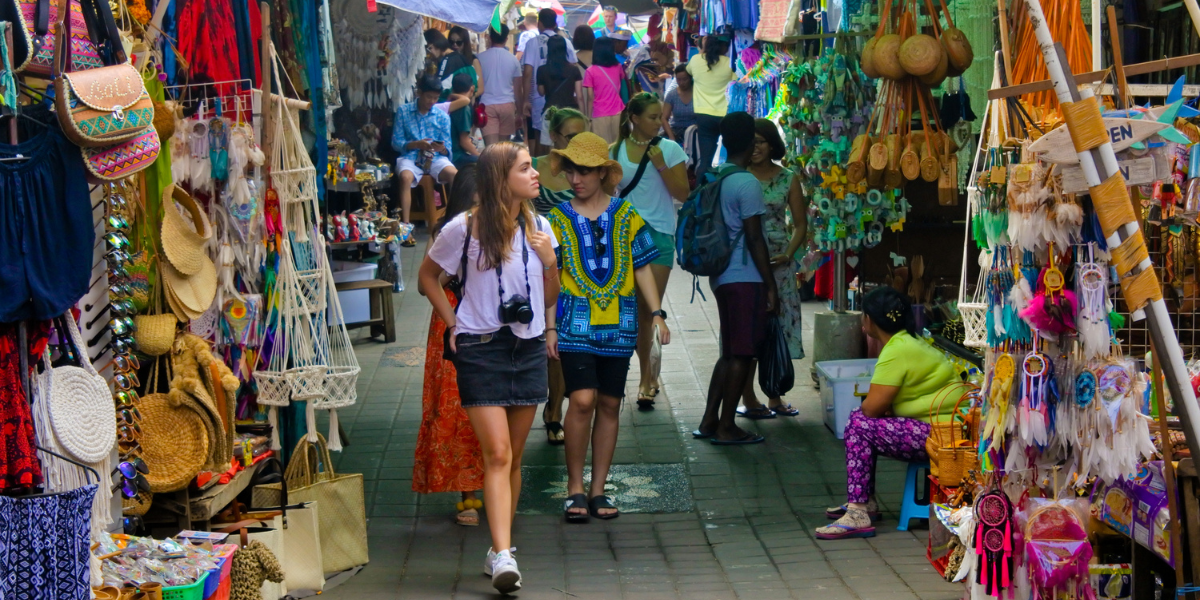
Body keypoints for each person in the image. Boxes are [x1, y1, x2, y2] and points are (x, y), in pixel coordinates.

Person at [418, 142, 560, 593]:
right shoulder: (463, 229)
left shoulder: (541, 227)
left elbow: (550, 297)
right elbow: (427, 278)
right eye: (524, 168)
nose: (535, 174)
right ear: (502, 178)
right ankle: (502, 555)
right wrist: (453, 322)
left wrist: (549, 261)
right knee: (497, 453)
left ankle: (501, 547)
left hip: (528, 347)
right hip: (480, 349)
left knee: (513, 458)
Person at [544, 132, 671, 523]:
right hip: (573, 325)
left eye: (583, 171)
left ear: (603, 173)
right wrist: (549, 329)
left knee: (611, 403)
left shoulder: (627, 215)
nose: (575, 179)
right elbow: (548, 277)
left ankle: (598, 489)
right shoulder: (557, 221)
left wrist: (657, 313)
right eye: (570, 171)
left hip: (620, 323)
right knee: (581, 400)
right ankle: (574, 488)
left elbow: (642, 266)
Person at [816, 287, 963, 540]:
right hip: (944, 428)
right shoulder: (908, 342)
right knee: (859, 421)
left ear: (869, 320)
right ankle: (863, 502)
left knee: (859, 424)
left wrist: (877, 408)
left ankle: (859, 510)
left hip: (942, 435)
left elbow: (871, 408)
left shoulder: (896, 350)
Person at [692, 112, 777, 445]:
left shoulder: (713, 176)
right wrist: (771, 286)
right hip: (744, 277)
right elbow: (755, 238)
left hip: (720, 275)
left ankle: (710, 420)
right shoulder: (746, 182)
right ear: (747, 142)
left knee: (729, 351)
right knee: (742, 353)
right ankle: (727, 426)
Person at [414, 166, 484, 527]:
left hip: (488, 321)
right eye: (474, 203)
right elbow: (424, 284)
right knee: (457, 409)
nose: (480, 210)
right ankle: (467, 494)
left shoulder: (502, 226)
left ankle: (493, 485)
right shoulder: (447, 231)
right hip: (451, 323)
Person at [610, 93, 689, 409]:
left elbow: (683, 193)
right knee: (632, 310)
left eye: (661, 117)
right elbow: (608, 195)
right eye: (654, 117)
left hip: (659, 237)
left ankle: (646, 379)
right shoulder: (615, 151)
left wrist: (660, 165)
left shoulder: (669, 149)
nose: (660, 122)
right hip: (624, 237)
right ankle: (649, 375)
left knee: (647, 309)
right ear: (635, 118)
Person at [737, 119, 809, 419]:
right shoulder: (739, 177)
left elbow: (801, 224)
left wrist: (788, 255)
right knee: (749, 327)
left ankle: (775, 396)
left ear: (771, 144)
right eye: (751, 142)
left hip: (778, 264)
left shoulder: (788, 178)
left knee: (776, 326)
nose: (756, 148)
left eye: (761, 141)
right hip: (745, 261)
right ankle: (748, 396)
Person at [533, 106, 589, 444]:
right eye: (571, 136)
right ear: (554, 137)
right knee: (548, 341)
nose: (576, 143)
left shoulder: (588, 170)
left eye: (582, 136)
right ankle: (551, 406)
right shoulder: (535, 169)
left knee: (568, 341)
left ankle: (557, 409)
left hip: (581, 267)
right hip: (542, 267)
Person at [392, 74, 458, 232]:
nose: (432, 102)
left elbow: (448, 145)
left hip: (435, 158)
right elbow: (396, 142)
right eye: (429, 97)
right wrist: (415, 144)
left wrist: (441, 148)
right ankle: (406, 226)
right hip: (410, 156)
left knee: (454, 174)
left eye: (435, 98)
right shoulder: (403, 111)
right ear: (419, 93)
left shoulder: (442, 116)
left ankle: (455, 219)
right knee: (405, 177)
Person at [522, 8, 578, 156]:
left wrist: (526, 99)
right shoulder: (566, 42)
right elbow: (574, 68)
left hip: (539, 97)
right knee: (565, 135)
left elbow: (527, 73)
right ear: (554, 24)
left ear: (539, 23)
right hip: (565, 98)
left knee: (542, 137)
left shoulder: (532, 43)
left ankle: (543, 171)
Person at [686, 36, 734, 180]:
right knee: (730, 159)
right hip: (725, 116)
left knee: (705, 161)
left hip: (703, 116)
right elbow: (736, 80)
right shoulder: (729, 63)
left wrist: (702, 51)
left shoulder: (695, 60)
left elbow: (688, 71)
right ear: (724, 47)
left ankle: (701, 194)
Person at [477, 24, 525, 146]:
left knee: (491, 148)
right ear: (506, 39)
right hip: (507, 106)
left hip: (486, 105)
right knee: (503, 147)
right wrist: (519, 113)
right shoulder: (514, 60)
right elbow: (518, 90)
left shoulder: (479, 59)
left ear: (489, 38)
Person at [582, 37, 625, 144]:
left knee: (602, 150)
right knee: (617, 147)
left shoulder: (590, 71)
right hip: (618, 113)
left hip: (599, 115)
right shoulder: (618, 67)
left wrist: (588, 118)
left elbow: (590, 97)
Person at [537, 36, 582, 113]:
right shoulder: (574, 69)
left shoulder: (542, 70)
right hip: (570, 111)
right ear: (564, 49)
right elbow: (579, 97)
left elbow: (541, 92)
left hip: (550, 111)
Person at [449, 74, 480, 167]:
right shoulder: (464, 108)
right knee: (487, 163)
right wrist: (480, 156)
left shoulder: (448, 101)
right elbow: (464, 141)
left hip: (445, 152)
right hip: (455, 155)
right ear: (472, 88)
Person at [444, 26, 484, 98]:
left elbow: (480, 88)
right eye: (452, 41)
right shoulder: (447, 59)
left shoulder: (473, 61)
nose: (455, 44)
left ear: (465, 42)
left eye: (459, 42)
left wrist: (469, 97)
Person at [661, 64, 695, 142]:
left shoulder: (697, 92)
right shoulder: (672, 95)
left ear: (690, 78)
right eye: (678, 80)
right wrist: (671, 137)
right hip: (675, 130)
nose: (681, 82)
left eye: (684, 79)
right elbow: (664, 118)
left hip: (694, 131)